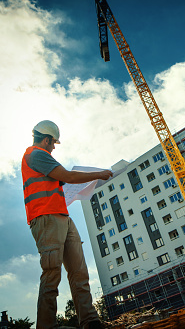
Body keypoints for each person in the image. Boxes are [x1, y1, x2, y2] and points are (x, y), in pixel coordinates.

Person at [21, 120, 113, 329]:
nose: (54, 147)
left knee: (79, 271)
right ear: (46, 140)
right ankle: (46, 325)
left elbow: (64, 180)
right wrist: (99, 174)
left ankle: (90, 321)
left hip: (62, 216)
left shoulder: (42, 159)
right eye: (53, 143)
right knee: (52, 271)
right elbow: (68, 176)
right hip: (46, 218)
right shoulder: (35, 154)